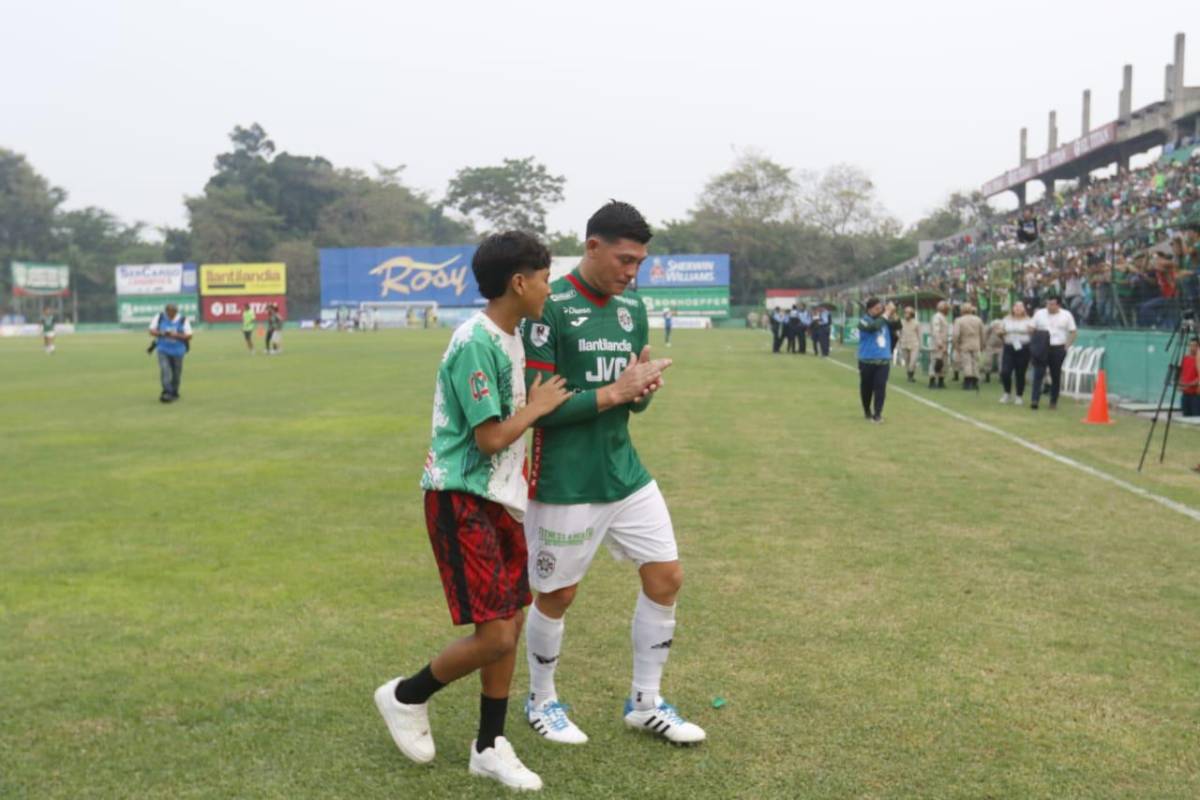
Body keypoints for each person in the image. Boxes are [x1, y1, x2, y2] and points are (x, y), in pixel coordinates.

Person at [374, 231, 570, 792]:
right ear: (519, 281)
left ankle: (489, 745)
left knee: (507, 625)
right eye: (543, 277)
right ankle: (406, 696)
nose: (547, 288)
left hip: (503, 501)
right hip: (461, 497)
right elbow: (488, 439)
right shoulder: (476, 341)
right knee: (498, 637)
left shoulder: (509, 337)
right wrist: (536, 408)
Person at [519, 201, 705, 746]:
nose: (632, 272)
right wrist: (613, 392)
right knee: (557, 596)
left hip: (624, 471)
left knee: (666, 576)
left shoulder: (633, 310)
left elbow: (627, 402)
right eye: (625, 259)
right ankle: (542, 700)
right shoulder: (548, 306)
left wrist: (637, 393)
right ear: (592, 246)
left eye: (640, 262)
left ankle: (645, 702)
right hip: (565, 478)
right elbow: (538, 409)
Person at [1030, 295, 1077, 410]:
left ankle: (1053, 401)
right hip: (1042, 347)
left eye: (1052, 304)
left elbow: (1073, 332)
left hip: (1058, 348)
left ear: (1058, 305)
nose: (1049, 306)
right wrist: (1035, 341)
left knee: (1055, 375)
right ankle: (1035, 399)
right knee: (1038, 374)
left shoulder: (1066, 315)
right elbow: (1031, 328)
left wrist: (1066, 346)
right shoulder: (1040, 313)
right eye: (1048, 304)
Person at [148, 303, 192, 403]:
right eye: (169, 312)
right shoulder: (159, 317)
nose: (170, 315)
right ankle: (167, 392)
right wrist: (162, 333)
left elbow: (189, 335)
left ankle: (174, 392)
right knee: (165, 370)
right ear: (166, 311)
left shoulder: (183, 320)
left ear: (176, 312)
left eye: (173, 313)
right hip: (163, 349)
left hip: (178, 351)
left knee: (176, 374)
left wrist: (176, 335)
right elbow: (151, 331)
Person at [857, 298, 892, 422]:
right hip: (866, 360)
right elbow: (873, 327)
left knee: (880, 387)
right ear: (869, 309)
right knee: (866, 388)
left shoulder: (885, 320)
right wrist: (886, 314)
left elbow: (898, 325)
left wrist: (893, 312)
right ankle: (867, 410)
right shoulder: (863, 321)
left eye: (881, 308)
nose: (880, 310)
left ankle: (878, 414)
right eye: (877, 308)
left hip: (883, 360)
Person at [999, 302, 1034, 405]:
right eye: (1016, 306)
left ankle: (1019, 395)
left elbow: (1032, 331)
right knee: (1005, 371)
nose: (1018, 309)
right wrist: (1003, 334)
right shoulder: (1006, 319)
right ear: (1013, 309)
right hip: (1009, 346)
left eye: (1020, 307)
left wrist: (1025, 332)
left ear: (1024, 309)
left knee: (1020, 373)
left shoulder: (1029, 320)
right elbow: (999, 331)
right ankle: (1007, 393)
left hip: (1023, 347)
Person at [952, 303, 985, 391]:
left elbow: (956, 334)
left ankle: (968, 382)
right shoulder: (978, 320)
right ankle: (975, 382)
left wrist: (955, 345)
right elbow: (982, 334)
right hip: (976, 344)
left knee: (967, 363)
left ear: (962, 310)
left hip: (964, 344)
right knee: (975, 363)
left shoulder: (959, 320)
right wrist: (982, 345)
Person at [928, 300, 950, 389]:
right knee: (935, 362)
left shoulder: (943, 317)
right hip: (938, 344)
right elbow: (936, 331)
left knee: (943, 363)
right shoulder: (937, 317)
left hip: (943, 344)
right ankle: (932, 381)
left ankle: (941, 381)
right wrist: (939, 342)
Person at [897, 306, 920, 382]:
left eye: (908, 312)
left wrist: (920, 344)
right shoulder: (901, 322)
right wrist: (899, 340)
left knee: (913, 361)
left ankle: (911, 374)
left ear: (912, 314)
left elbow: (918, 334)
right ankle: (910, 376)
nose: (906, 314)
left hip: (914, 344)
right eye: (905, 312)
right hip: (904, 343)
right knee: (907, 361)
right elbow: (899, 332)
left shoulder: (916, 323)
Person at [1180, 338, 1199, 418]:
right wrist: (1180, 384)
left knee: (1196, 419)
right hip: (1185, 395)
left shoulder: (1198, 360)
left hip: (1196, 396)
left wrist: (1187, 385)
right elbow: (1181, 374)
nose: (1192, 348)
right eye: (1190, 345)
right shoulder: (1185, 359)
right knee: (1185, 419)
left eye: (1194, 346)